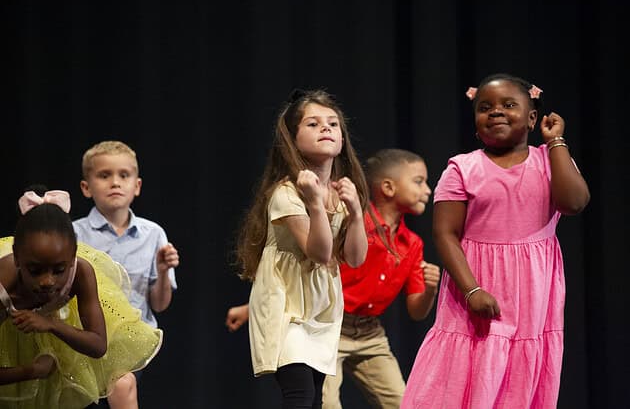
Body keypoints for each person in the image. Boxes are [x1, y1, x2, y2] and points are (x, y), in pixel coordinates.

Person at [401, 73, 590, 408]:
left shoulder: (550, 161)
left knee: (519, 371)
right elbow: (445, 234)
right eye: (485, 107)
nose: (496, 112)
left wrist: (556, 142)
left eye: (508, 105)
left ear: (533, 118)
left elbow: (573, 202)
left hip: (533, 292)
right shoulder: (462, 168)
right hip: (476, 284)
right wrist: (471, 289)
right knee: (470, 369)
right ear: (475, 123)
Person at [227, 149, 442, 408]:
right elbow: (313, 277)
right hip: (332, 326)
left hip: (370, 333)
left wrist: (430, 289)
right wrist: (253, 308)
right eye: (419, 181)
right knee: (325, 404)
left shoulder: (412, 243)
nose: (428, 190)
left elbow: (417, 311)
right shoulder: (353, 225)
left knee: (403, 403)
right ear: (388, 187)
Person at [235, 88, 369, 408]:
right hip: (286, 304)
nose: (325, 128)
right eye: (313, 124)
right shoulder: (287, 192)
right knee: (300, 394)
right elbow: (319, 253)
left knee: (316, 397)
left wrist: (356, 212)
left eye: (332, 124)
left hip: (320, 304)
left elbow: (354, 257)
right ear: (293, 139)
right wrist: (315, 204)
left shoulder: (341, 190)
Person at [0, 188, 162, 409]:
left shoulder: (81, 271)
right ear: (18, 258)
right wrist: (32, 371)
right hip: (11, 341)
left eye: (59, 270)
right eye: (35, 271)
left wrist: (51, 324)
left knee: (120, 385)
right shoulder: (3, 286)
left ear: (73, 255)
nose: (48, 281)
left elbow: (98, 345)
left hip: (61, 327)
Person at [73, 141, 179, 409]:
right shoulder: (74, 234)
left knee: (122, 384)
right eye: (104, 175)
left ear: (137, 185)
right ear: (86, 187)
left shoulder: (153, 234)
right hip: (84, 338)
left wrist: (164, 271)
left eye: (124, 175)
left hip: (131, 341)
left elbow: (159, 304)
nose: (115, 183)